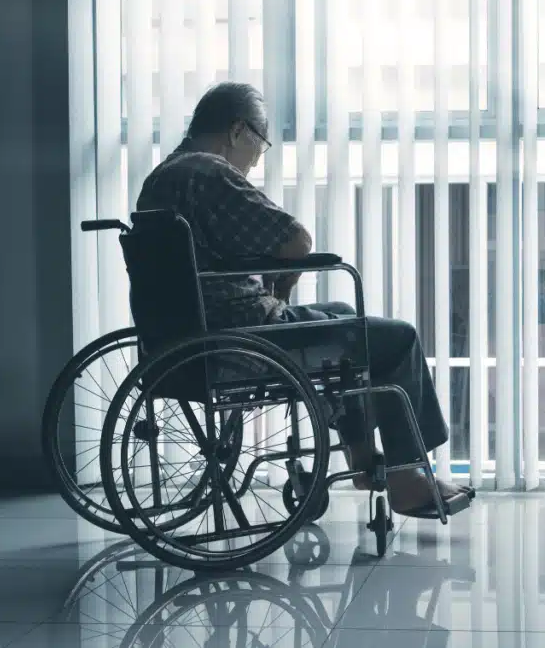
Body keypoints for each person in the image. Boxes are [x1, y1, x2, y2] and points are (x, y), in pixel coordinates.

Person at [136, 82, 472, 516]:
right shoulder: (208, 172)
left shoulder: (162, 178)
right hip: (240, 338)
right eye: (260, 146)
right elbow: (295, 240)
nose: (256, 161)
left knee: (347, 319)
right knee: (398, 339)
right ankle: (407, 479)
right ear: (239, 131)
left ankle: (362, 458)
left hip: (185, 338)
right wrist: (285, 283)